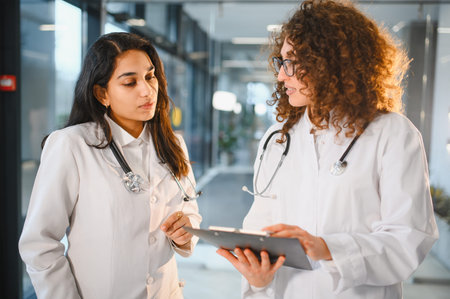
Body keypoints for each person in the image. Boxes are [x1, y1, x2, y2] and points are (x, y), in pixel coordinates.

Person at [217, 1, 438, 298]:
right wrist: (258, 277)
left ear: (330, 62)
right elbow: (260, 225)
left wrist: (328, 249)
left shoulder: (392, 133)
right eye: (281, 62)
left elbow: (409, 239)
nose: (282, 76)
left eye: (291, 63)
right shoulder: (278, 139)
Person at [19, 32, 202, 299]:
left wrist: (185, 233)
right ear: (102, 93)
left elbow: (191, 211)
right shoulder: (71, 145)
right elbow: (40, 243)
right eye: (130, 82)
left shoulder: (173, 144)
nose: (147, 90)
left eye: (150, 77)